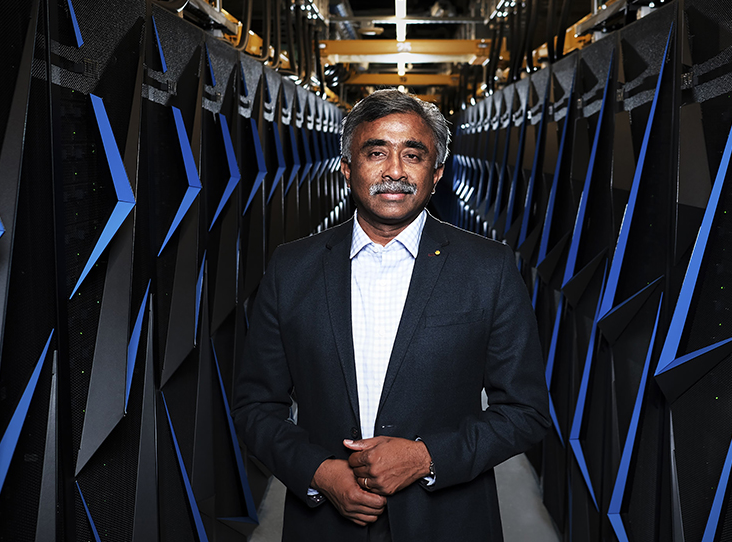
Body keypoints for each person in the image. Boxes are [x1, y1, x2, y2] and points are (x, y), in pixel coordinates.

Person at [233, 89, 550, 541]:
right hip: (327, 525)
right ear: (347, 168)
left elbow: (526, 410)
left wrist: (426, 458)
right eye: (376, 152)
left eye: (414, 154)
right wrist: (320, 473)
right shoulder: (292, 267)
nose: (395, 172)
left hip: (446, 525)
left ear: (437, 172)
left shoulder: (488, 268)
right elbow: (255, 406)